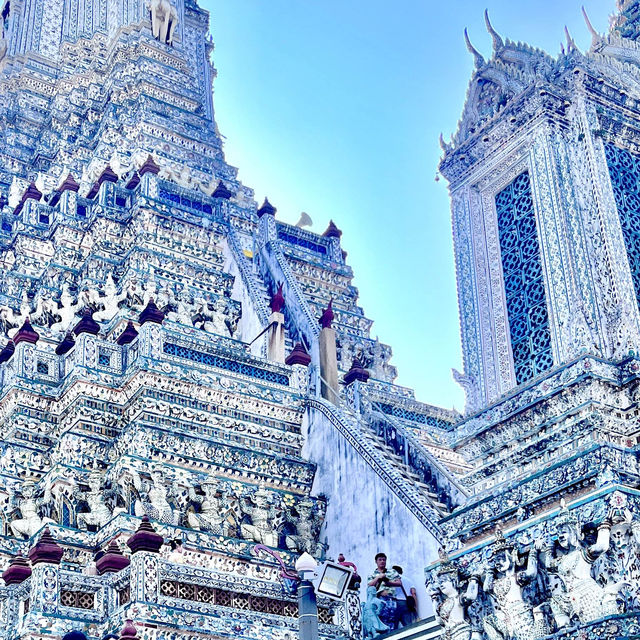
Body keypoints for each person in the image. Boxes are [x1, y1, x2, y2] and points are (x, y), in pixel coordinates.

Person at [367, 552, 401, 630]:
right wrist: (378, 577)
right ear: (376, 562)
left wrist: (389, 583)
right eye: (380, 560)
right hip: (379, 600)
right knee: (381, 620)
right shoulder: (372, 574)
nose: (382, 561)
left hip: (391, 599)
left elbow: (399, 583)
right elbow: (370, 586)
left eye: (384, 560)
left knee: (392, 619)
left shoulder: (392, 571)